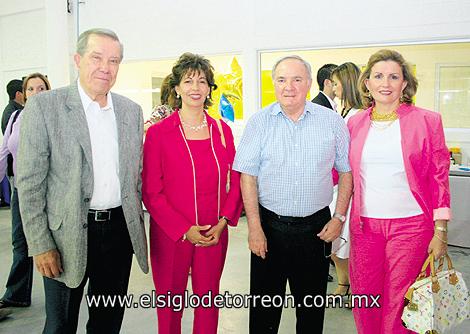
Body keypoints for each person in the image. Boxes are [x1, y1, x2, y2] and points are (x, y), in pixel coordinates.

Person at [16, 28, 148, 333]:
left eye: (114, 60)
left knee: (107, 322)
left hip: (118, 234)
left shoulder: (130, 111)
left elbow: (136, 178)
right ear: (78, 59)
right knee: (60, 325)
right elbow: (30, 182)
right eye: (96, 57)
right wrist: (40, 244)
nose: (105, 67)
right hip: (65, 238)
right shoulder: (45, 107)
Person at [234, 55, 352, 334]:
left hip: (317, 230)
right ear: (274, 83)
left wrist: (339, 218)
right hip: (269, 228)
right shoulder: (259, 122)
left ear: (309, 84)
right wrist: (254, 228)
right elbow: (247, 177)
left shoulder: (332, 122)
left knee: (311, 313)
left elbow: (346, 173)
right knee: (263, 314)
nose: (289, 86)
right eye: (282, 79)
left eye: (297, 79)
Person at [347, 49, 450, 334]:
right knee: (366, 298)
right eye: (378, 76)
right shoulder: (354, 123)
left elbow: (439, 176)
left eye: (394, 76)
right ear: (366, 82)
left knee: (401, 301)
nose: (386, 83)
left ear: (404, 83)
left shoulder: (427, 121)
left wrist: (440, 230)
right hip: (364, 226)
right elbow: (342, 174)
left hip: (411, 226)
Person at [142, 52, 242, 334]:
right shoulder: (159, 134)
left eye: (202, 81)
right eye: (188, 81)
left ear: (210, 88)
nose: (195, 87)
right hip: (171, 235)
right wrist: (184, 229)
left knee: (208, 304)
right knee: (170, 307)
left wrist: (224, 222)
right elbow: (151, 191)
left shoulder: (222, 130)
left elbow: (236, 181)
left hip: (213, 233)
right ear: (176, 88)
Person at [0, 73, 51, 312]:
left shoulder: (55, 118)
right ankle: (17, 294)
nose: (36, 93)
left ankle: (63, 291)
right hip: (22, 190)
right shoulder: (15, 118)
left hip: (50, 192)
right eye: (31, 89)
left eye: (42, 88)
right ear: (24, 94)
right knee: (20, 243)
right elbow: (4, 153)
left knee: (52, 244)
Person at [328, 62, 363, 297]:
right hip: (336, 184)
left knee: (346, 241)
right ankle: (345, 283)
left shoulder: (358, 115)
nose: (333, 88)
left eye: (336, 84)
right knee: (336, 240)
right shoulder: (344, 111)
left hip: (348, 186)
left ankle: (352, 286)